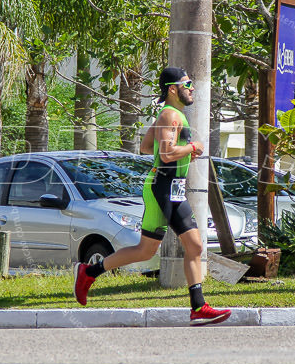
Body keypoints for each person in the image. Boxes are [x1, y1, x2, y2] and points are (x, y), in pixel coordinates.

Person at [73, 67, 231, 326]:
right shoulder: (170, 115)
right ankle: (199, 307)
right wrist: (193, 147)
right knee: (193, 246)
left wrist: (180, 151)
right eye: (187, 83)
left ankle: (89, 271)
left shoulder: (169, 115)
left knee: (147, 250)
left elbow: (149, 147)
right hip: (165, 186)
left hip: (168, 185)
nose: (192, 88)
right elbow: (167, 154)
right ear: (172, 88)